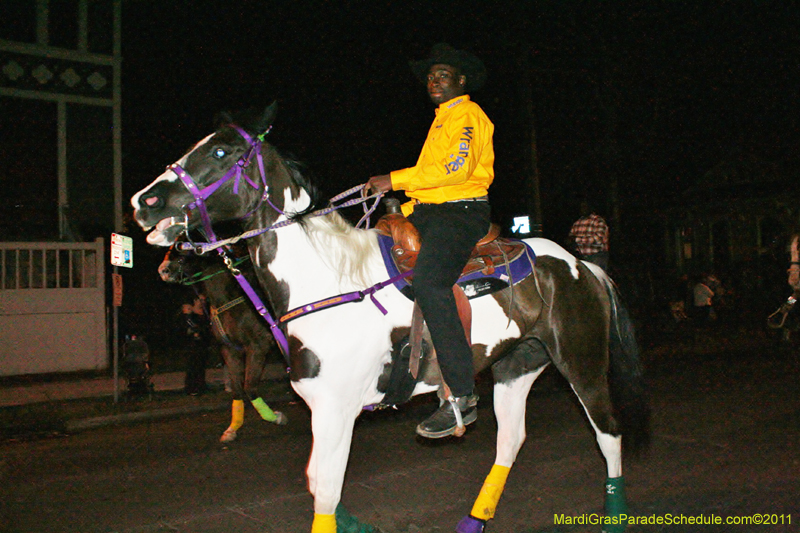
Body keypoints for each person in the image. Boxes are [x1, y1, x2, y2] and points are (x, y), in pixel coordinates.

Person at [367, 43, 493, 439]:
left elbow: (455, 169)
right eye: (430, 76)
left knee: (430, 282)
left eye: (442, 75)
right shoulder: (441, 120)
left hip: (461, 212)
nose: (433, 81)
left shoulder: (469, 115)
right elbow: (433, 184)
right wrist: (400, 208)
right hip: (431, 210)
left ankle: (462, 396)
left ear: (461, 80)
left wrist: (396, 179)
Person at [180, 294, 211, 395]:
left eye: (204, 300)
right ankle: (191, 388)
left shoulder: (205, 313)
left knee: (201, 366)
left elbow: (206, 327)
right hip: (192, 345)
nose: (202, 302)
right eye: (200, 300)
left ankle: (201, 386)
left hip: (202, 344)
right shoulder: (190, 314)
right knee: (192, 366)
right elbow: (187, 327)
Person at [568, 201, 610, 270]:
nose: (583, 209)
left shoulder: (598, 221)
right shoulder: (577, 223)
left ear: (591, 208)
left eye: (585, 207)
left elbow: (598, 240)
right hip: (581, 257)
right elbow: (571, 238)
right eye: (581, 207)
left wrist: (577, 240)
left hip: (596, 256)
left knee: (595, 279)